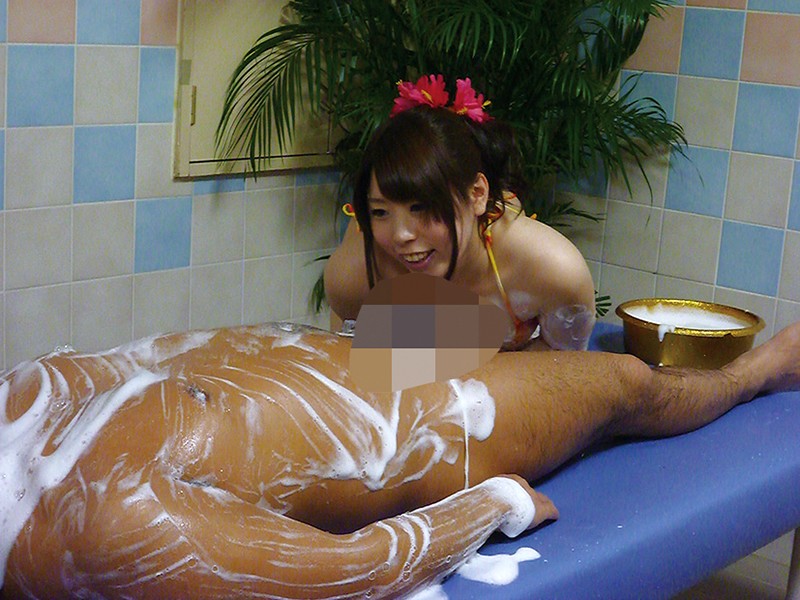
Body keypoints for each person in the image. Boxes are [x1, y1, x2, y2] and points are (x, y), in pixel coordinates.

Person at [2, 318, 800, 599]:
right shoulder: (102, 530)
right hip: (427, 418)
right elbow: (353, 571)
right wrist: (495, 505)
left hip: (341, 349)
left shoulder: (16, 399)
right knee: (626, 383)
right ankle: (761, 371)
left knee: (512, 317)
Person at [325, 74, 597, 351]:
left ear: (477, 194)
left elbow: (563, 369)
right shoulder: (356, 274)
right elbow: (349, 363)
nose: (401, 235)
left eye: (420, 207)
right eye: (380, 212)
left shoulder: (552, 269)